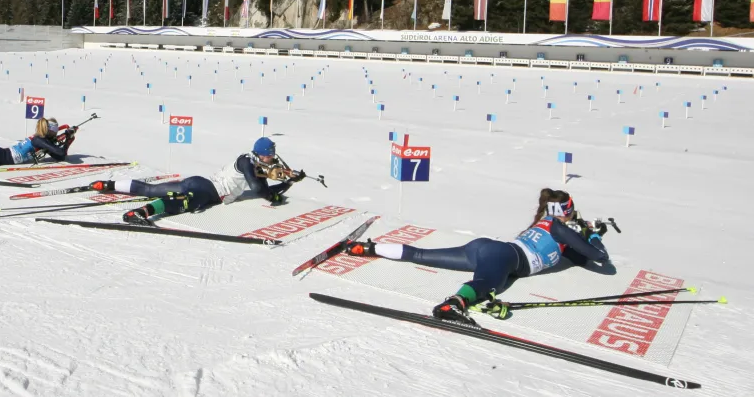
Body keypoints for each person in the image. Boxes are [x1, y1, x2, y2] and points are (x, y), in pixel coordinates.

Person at [345, 188, 610, 323]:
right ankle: (454, 303)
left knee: (422, 255)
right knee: (488, 283)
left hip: (487, 249)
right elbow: (599, 257)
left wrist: (584, 236)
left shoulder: (549, 226)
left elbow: (580, 258)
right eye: (573, 212)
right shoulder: (560, 228)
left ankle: (369, 248)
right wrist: (593, 233)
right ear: (567, 211)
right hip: (504, 257)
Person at [90, 137, 305, 226]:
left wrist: (290, 182)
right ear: (260, 154)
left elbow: (265, 186)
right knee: (182, 203)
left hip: (200, 183)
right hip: (208, 190)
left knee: (152, 188)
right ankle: (140, 212)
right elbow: (260, 189)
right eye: (269, 156)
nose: (272, 159)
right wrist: (274, 195)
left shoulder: (255, 165)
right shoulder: (246, 162)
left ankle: (107, 185)